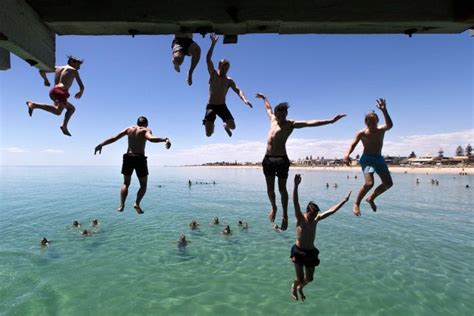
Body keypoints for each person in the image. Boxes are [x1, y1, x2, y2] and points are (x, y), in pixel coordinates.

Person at [255, 92, 346, 230]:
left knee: (281, 189)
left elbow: (310, 123)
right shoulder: (273, 120)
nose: (282, 117)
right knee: (270, 189)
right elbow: (268, 108)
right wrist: (264, 98)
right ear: (276, 114)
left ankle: (285, 215)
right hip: (267, 160)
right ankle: (274, 207)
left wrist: (330, 121)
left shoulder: (291, 124)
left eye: (285, 114)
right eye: (280, 115)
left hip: (281, 161)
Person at [291, 174, 351, 301]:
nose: (314, 217)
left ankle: (300, 288)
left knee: (310, 279)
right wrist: (296, 186)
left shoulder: (316, 219)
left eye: (315, 214)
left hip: (311, 252)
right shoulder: (301, 218)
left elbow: (331, 211)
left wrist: (344, 201)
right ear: (307, 211)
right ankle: (294, 287)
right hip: (298, 251)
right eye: (312, 214)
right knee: (300, 278)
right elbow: (295, 202)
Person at [94, 116, 171, 214]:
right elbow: (151, 139)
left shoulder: (129, 129)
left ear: (137, 123)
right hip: (139, 158)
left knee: (126, 183)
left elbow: (114, 138)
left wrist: (101, 144)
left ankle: (121, 205)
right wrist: (165, 139)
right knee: (143, 185)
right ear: (146, 124)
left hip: (128, 157)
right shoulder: (145, 130)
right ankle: (137, 203)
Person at [344, 98, 393, 216]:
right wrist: (347, 154)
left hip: (379, 159)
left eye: (374, 122)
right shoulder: (362, 133)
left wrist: (384, 110)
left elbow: (390, 125)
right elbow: (352, 144)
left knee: (388, 183)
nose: (372, 125)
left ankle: (371, 198)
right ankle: (356, 203)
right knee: (369, 183)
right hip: (368, 160)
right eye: (369, 123)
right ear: (366, 123)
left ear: (377, 121)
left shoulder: (381, 130)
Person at [203, 33, 253, 137]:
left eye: (227, 69)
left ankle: (225, 126)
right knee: (208, 134)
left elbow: (238, 90)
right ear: (219, 67)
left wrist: (244, 99)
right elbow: (208, 60)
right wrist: (212, 44)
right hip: (211, 106)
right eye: (223, 68)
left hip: (222, 106)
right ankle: (211, 125)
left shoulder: (228, 80)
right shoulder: (213, 74)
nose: (225, 71)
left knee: (233, 126)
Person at [26, 56, 85, 136]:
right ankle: (34, 105)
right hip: (61, 92)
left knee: (64, 109)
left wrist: (46, 80)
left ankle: (63, 125)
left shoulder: (57, 68)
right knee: (66, 110)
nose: (79, 68)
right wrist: (80, 92)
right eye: (78, 65)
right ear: (72, 62)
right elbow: (82, 86)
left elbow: (41, 71)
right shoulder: (73, 71)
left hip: (53, 92)